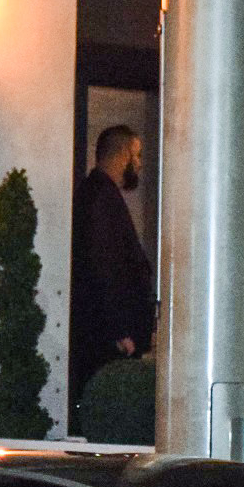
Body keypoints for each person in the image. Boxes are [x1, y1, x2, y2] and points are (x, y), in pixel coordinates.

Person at [69, 125, 154, 422]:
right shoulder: (101, 198)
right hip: (108, 339)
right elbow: (104, 264)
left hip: (108, 335)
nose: (140, 163)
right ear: (122, 155)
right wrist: (120, 329)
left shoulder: (99, 195)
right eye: (137, 155)